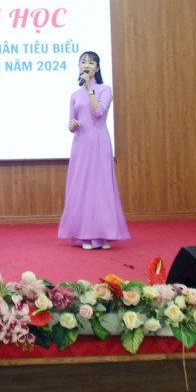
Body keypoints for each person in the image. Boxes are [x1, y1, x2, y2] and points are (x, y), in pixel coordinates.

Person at [59, 51, 129, 250]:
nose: (86, 65)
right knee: (82, 187)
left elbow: (99, 111)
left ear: (97, 68)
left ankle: (102, 235)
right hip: (81, 144)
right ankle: (84, 235)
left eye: (91, 62)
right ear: (79, 67)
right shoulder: (75, 95)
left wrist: (89, 88)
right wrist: (72, 125)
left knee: (100, 188)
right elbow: (71, 123)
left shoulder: (105, 89)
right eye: (83, 62)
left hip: (99, 142)